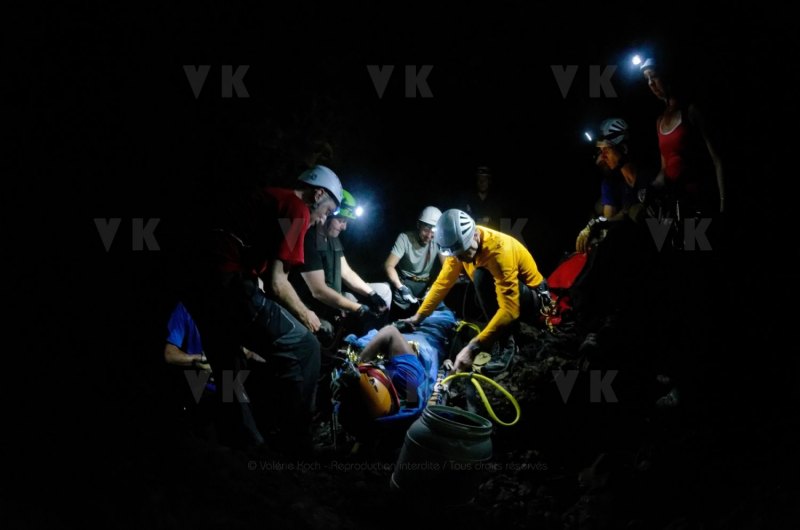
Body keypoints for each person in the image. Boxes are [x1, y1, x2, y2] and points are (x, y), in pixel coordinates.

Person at [175, 164, 343, 454]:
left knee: (229, 362)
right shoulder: (298, 208)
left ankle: (246, 443)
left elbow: (261, 276)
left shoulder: (270, 198)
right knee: (305, 349)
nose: (322, 220)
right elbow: (278, 283)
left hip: (196, 283)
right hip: (226, 282)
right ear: (317, 194)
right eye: (327, 211)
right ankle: (296, 443)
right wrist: (309, 317)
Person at [402, 209, 550, 374]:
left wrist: (474, 346)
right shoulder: (459, 246)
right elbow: (442, 284)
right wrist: (418, 317)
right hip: (510, 297)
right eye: (456, 255)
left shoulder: (499, 251)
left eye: (463, 254)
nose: (459, 260)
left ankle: (509, 345)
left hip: (533, 298)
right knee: (472, 291)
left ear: (474, 235)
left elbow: (510, 309)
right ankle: (499, 338)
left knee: (480, 276)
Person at [332, 307, 458, 439]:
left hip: (403, 345)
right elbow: (390, 331)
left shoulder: (355, 412)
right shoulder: (409, 380)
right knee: (440, 314)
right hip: (426, 339)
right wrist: (360, 362)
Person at [293, 189, 391, 343]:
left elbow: (346, 272)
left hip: (335, 298)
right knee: (326, 330)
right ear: (328, 214)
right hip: (316, 306)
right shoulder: (310, 238)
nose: (344, 227)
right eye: (341, 220)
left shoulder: (333, 238)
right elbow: (318, 291)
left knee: (384, 290)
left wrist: (372, 294)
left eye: (346, 222)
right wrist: (357, 308)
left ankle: (372, 341)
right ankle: (348, 346)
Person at [639, 57, 726, 219]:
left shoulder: (691, 111)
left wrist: (723, 205)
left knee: (697, 242)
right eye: (647, 79)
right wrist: (650, 189)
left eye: (654, 76)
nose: (650, 83)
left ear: (666, 75)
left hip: (699, 201)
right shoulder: (659, 121)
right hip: (676, 205)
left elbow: (718, 159)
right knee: (667, 242)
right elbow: (665, 169)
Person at [575, 118, 648, 254]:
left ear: (623, 148)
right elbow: (623, 215)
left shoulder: (647, 176)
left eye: (607, 150)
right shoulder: (623, 184)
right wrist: (595, 224)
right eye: (601, 151)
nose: (602, 157)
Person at [384, 206, 445, 317]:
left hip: (425, 284)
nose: (429, 236)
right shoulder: (405, 238)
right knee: (399, 317)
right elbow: (389, 265)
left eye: (433, 231)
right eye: (426, 230)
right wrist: (400, 287)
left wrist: (433, 288)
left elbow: (446, 268)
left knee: (428, 319)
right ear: (418, 225)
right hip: (405, 284)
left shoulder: (438, 240)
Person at [462, 166, 506, 230]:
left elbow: (498, 219)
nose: (482, 182)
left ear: (489, 181)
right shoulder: (468, 199)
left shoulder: (495, 200)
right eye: (479, 180)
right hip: (473, 235)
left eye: (484, 180)